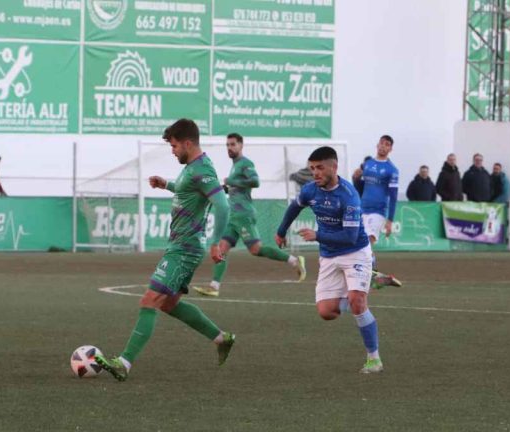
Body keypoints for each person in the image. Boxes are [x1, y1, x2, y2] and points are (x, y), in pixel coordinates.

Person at [94, 119, 235, 382]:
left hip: (185, 249)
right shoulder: (192, 168)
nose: (172, 151)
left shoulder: (202, 169)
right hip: (181, 246)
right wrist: (166, 184)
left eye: (174, 146)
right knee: (169, 304)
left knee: (149, 300)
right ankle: (221, 338)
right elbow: (189, 190)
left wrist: (216, 243)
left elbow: (223, 205)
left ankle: (124, 363)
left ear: (188, 143)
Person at [275, 146, 383, 374]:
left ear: (334, 167)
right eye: (312, 168)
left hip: (355, 251)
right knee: (326, 311)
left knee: (357, 301)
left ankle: (374, 359)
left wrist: (317, 236)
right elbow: (294, 207)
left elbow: (349, 237)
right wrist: (281, 231)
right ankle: (370, 281)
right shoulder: (310, 190)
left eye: (320, 168)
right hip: (329, 255)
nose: (315, 173)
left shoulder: (349, 196)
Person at [192, 133, 306, 297]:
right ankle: (214, 286)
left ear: (241, 145)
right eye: (227, 145)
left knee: (256, 249)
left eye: (233, 144)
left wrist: (232, 182)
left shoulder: (245, 163)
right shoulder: (235, 166)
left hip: (243, 214)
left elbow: (255, 181)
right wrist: (219, 189)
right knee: (221, 249)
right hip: (233, 216)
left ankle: (294, 260)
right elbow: (235, 188)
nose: (229, 148)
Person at [352, 135, 401, 288]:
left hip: (378, 211)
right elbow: (359, 187)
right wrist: (355, 178)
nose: (383, 146)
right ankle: (372, 275)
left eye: (387, 144)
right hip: (363, 209)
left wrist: (390, 220)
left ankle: (373, 275)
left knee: (367, 243)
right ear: (377, 145)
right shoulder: (367, 164)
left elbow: (393, 196)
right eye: (382, 143)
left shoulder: (392, 170)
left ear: (390, 149)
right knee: (359, 245)